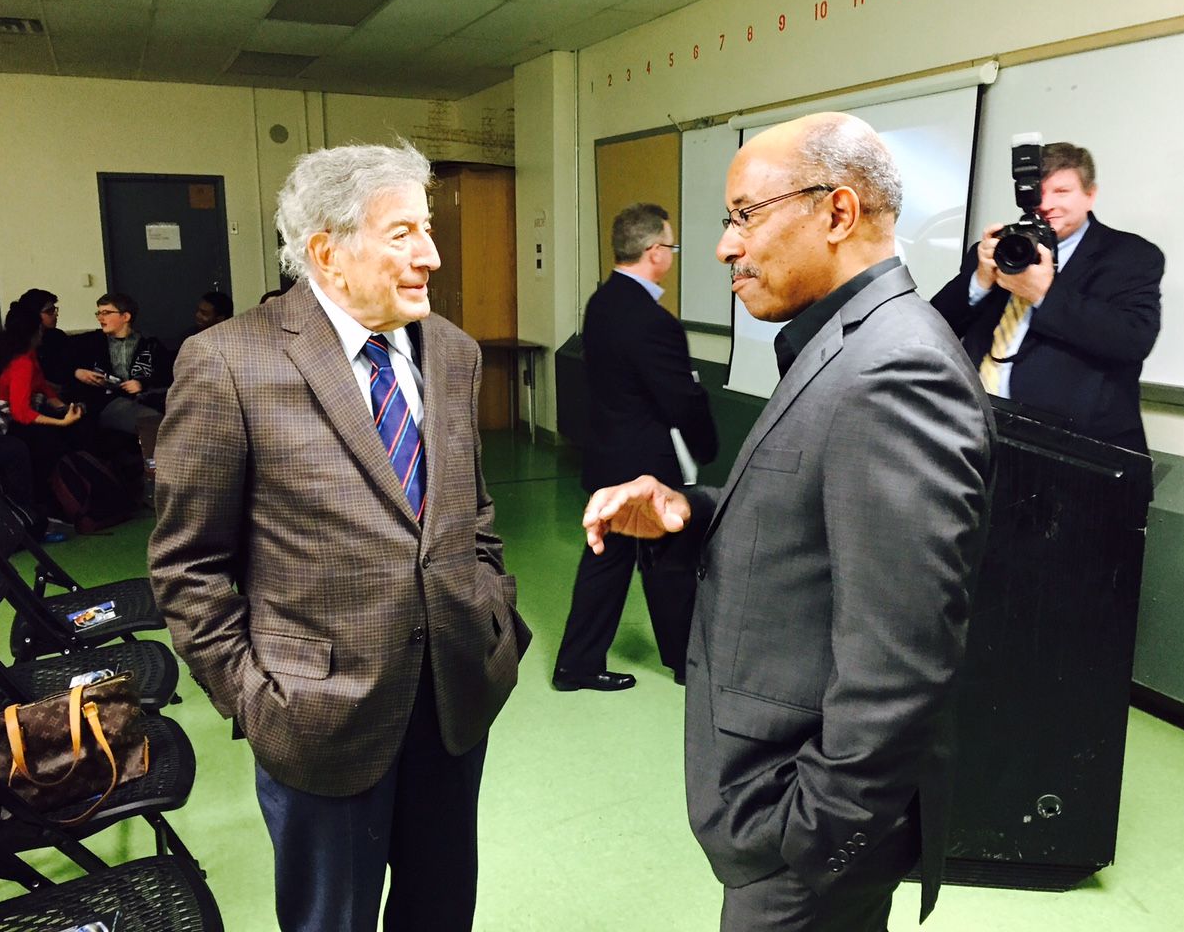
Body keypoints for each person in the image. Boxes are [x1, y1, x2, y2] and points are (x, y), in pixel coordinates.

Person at [581, 113, 996, 932]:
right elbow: (815, 522)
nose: (724, 248)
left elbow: (901, 659)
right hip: (778, 814)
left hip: (804, 851)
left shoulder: (896, 369)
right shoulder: (842, 343)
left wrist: (813, 841)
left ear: (838, 213)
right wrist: (686, 511)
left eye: (743, 216)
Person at [148, 141, 529, 932]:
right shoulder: (229, 363)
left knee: (441, 910)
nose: (429, 254)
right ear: (327, 252)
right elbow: (187, 567)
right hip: (319, 717)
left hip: (456, 694)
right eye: (403, 234)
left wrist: (497, 615)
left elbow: (472, 512)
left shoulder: (452, 353)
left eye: (427, 230)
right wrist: (255, 699)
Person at [553, 203, 718, 692]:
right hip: (643, 465)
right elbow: (679, 398)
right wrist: (706, 444)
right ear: (654, 252)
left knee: (621, 561)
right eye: (670, 245)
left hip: (608, 455)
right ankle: (678, 663)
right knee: (660, 565)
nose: (671, 254)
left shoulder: (601, 303)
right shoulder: (651, 320)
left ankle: (588, 663)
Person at [931, 141, 1163, 455]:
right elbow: (934, 326)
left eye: (1062, 192)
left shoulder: (1131, 256)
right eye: (1039, 193)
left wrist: (1044, 294)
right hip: (980, 434)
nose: (1047, 204)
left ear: (1089, 195)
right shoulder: (1000, 250)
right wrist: (979, 281)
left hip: (1078, 452)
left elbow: (1132, 339)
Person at [0, 303, 85, 525]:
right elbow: (20, 412)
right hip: (5, 420)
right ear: (36, 331)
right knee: (52, 442)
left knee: (76, 429)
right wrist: (61, 422)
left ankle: (64, 500)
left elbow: (41, 385)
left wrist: (61, 407)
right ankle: (45, 507)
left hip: (11, 412)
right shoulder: (22, 362)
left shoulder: (18, 352)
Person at [68, 292, 170, 433]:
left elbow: (167, 375)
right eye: (98, 313)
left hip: (146, 398)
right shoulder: (90, 341)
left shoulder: (150, 343)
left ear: (125, 317)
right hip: (108, 401)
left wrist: (141, 383)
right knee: (152, 422)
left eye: (106, 313)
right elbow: (61, 363)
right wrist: (77, 372)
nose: (100, 318)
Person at [15, 287, 73, 388]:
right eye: (49, 311)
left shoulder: (58, 336)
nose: (55, 314)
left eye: (54, 309)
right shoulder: (20, 343)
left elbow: (69, 367)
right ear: (33, 315)